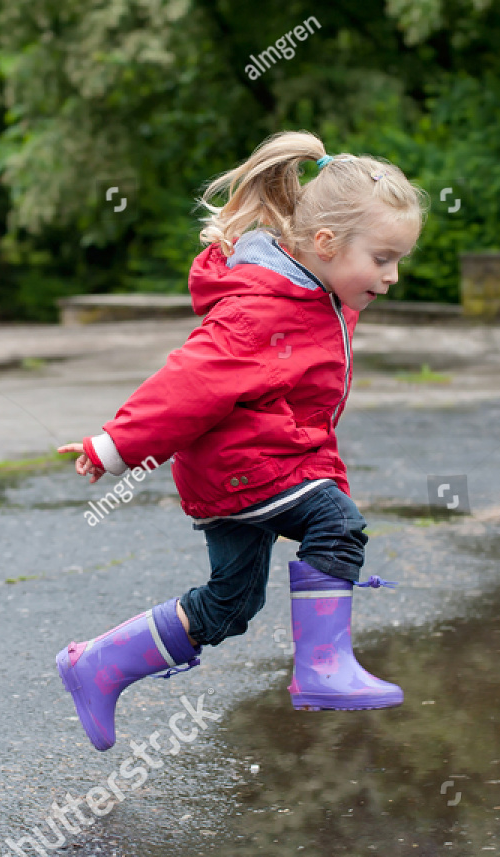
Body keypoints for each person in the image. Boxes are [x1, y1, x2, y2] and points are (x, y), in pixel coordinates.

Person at [55, 131, 425, 751]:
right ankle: (323, 669)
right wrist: (116, 445)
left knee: (230, 607)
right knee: (336, 524)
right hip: (247, 470)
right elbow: (188, 383)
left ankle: (95, 665)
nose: (391, 276)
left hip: (252, 473)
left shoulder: (318, 293)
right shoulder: (261, 309)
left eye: (398, 262)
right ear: (327, 244)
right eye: (383, 258)